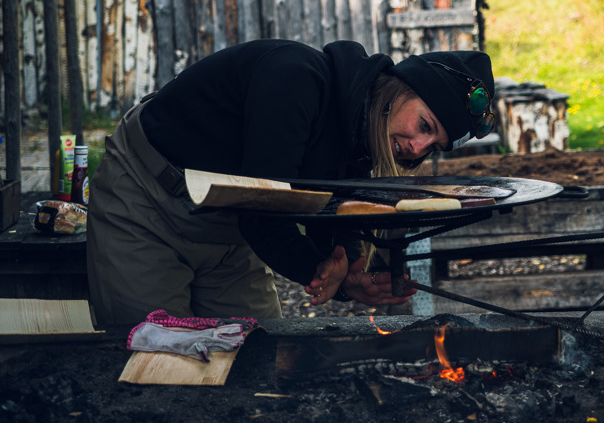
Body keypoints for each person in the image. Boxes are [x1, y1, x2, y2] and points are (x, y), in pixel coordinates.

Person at [86, 39, 495, 325]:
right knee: (159, 353)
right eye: (424, 125)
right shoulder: (296, 79)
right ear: (399, 90)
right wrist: (315, 267)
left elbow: (331, 204)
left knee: (259, 352)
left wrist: (346, 274)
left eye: (433, 145)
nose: (418, 147)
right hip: (148, 200)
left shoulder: (364, 130)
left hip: (228, 227)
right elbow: (263, 210)